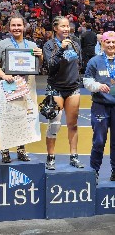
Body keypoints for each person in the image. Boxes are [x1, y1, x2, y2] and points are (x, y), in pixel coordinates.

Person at [0, 12, 43, 163]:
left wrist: (41, 56)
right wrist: (4, 75)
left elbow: (39, 65)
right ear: (9, 27)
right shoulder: (2, 44)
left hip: (27, 87)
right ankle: (5, 150)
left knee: (25, 118)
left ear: (24, 27)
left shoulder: (32, 45)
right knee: (7, 119)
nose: (16, 28)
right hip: (9, 86)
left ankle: (21, 149)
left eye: (19, 25)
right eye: (13, 25)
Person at [43, 16, 84, 170]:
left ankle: (74, 156)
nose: (66, 29)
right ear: (55, 28)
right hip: (56, 89)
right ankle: (51, 157)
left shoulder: (75, 43)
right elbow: (50, 66)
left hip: (73, 88)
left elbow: (79, 62)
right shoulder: (49, 45)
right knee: (54, 125)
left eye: (68, 26)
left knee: (72, 125)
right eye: (63, 26)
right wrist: (60, 49)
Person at [83, 31, 115, 183]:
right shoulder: (94, 61)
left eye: (113, 42)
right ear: (102, 43)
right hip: (100, 106)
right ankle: (94, 171)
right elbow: (86, 81)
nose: (111, 45)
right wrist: (97, 86)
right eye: (108, 42)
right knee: (99, 141)